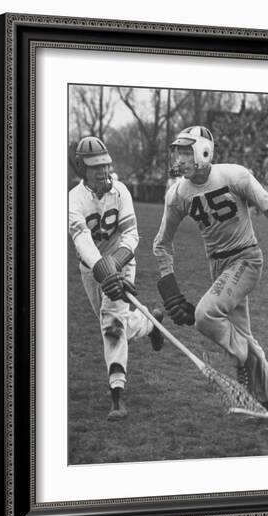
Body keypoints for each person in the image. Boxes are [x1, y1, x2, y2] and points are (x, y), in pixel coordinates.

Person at [153, 126, 268, 416]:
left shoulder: (233, 175)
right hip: (218, 267)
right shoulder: (177, 194)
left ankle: (241, 361)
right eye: (178, 152)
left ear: (204, 151)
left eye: (186, 152)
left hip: (246, 260)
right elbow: (161, 244)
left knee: (205, 315)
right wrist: (171, 293)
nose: (180, 159)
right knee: (243, 335)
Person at [69, 136, 164, 421]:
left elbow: (131, 235)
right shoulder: (74, 199)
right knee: (113, 321)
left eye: (106, 165)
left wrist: (115, 265)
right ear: (80, 168)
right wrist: (102, 270)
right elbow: (81, 239)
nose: (103, 171)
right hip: (92, 268)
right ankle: (150, 322)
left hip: (122, 261)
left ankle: (117, 395)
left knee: (111, 324)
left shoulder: (121, 191)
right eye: (95, 167)